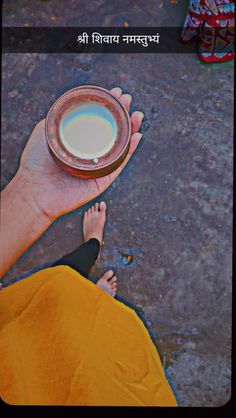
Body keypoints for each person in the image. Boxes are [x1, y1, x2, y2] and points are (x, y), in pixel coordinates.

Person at [0, 87, 177, 406]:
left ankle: (89, 268)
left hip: (17, 339)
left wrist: (30, 196)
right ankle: (91, 291)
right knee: (78, 311)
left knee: (57, 290)